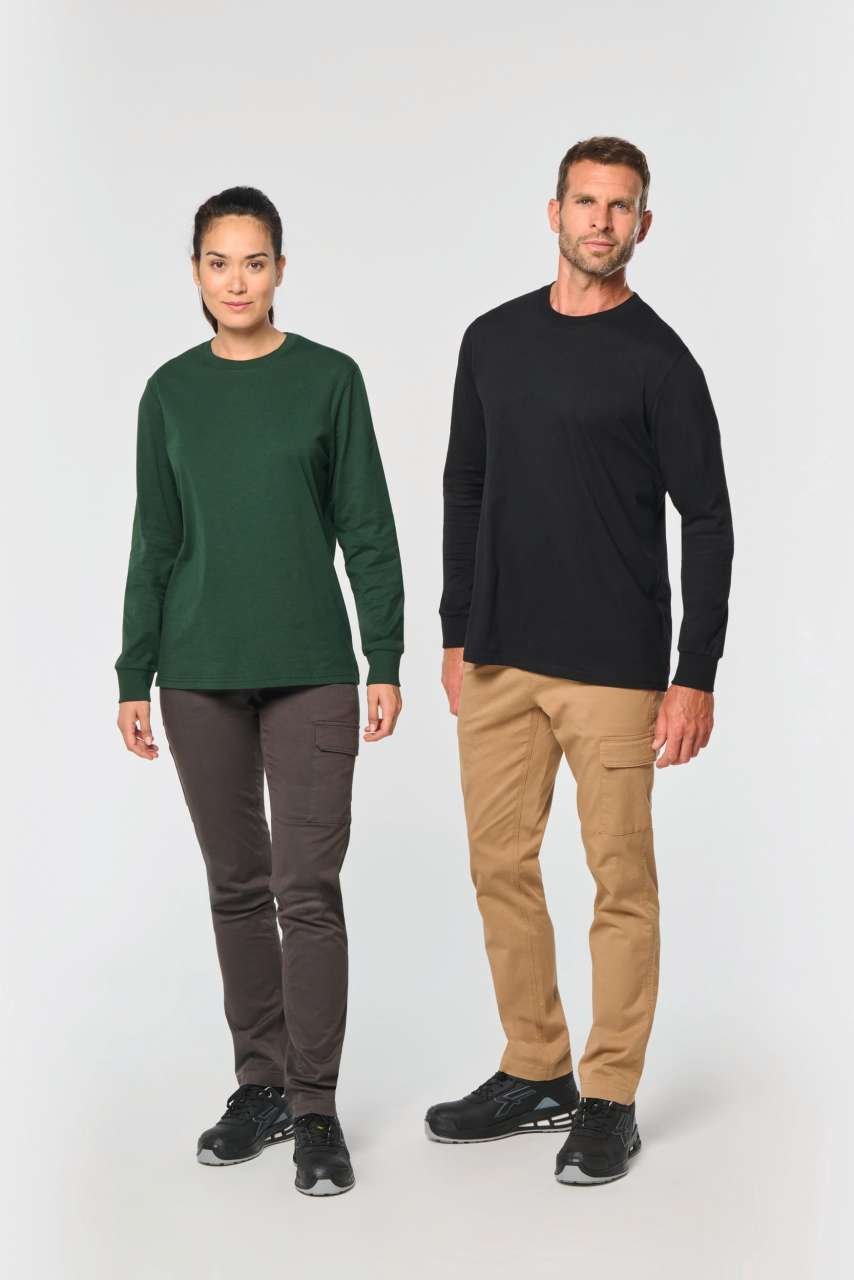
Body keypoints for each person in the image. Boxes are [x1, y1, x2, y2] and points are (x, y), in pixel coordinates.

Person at [428, 136, 734, 1185]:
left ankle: (608, 1096)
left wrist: (694, 673)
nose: (600, 221)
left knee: (619, 882)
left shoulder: (660, 360)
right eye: (586, 202)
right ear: (552, 211)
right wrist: (455, 629)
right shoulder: (491, 340)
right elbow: (464, 485)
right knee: (498, 866)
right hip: (499, 657)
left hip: (613, 667)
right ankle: (535, 1067)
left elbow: (706, 518)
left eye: (620, 206)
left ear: (643, 224)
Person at [114, 186, 404, 1197]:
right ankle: (262, 1087)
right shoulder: (169, 392)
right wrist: (133, 671)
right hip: (196, 672)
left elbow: (367, 524)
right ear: (195, 271)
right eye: (217, 261)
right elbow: (156, 538)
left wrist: (384, 656)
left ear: (280, 269)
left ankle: (315, 1105)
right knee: (236, 887)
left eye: (253, 261)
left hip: (312, 668)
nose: (235, 280)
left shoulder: (329, 379)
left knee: (305, 889)